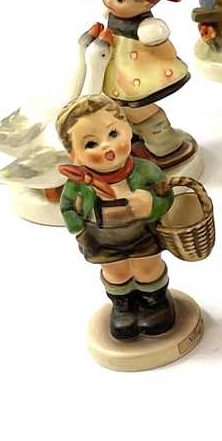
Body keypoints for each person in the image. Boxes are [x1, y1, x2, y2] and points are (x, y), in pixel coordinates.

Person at [56, 93, 178, 340]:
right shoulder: (78, 184)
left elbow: (167, 196)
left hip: (142, 234)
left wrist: (152, 205)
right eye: (91, 144)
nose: (106, 146)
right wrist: (79, 230)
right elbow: (67, 207)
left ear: (129, 130)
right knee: (117, 273)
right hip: (102, 238)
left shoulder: (146, 171)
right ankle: (123, 307)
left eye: (113, 133)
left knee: (148, 269)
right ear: (74, 155)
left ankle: (155, 303)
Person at [75, 0, 197, 168]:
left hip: (138, 74)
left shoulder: (146, 27)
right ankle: (133, 138)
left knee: (142, 111)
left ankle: (165, 144)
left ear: (145, 0)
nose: (109, 1)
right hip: (118, 72)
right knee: (119, 110)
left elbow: (162, 44)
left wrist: (154, 37)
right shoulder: (112, 13)